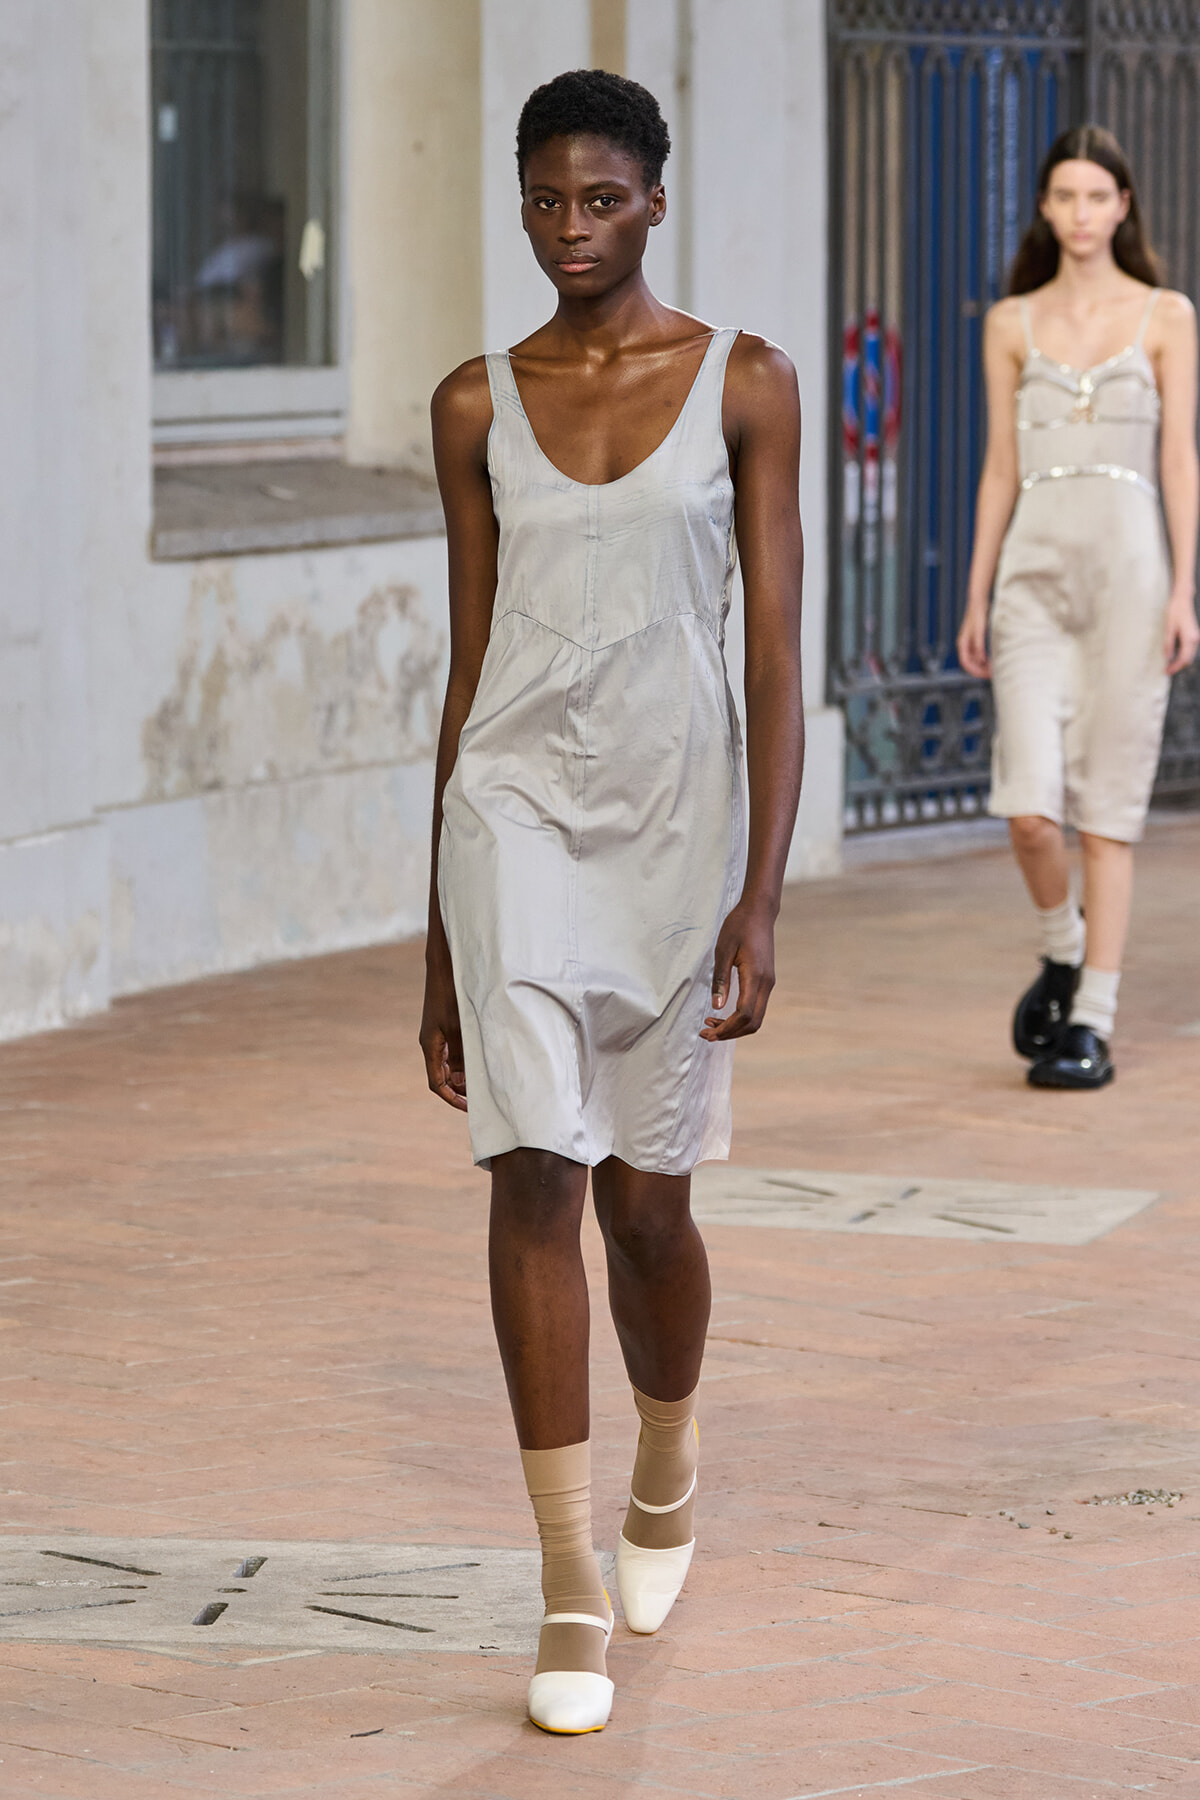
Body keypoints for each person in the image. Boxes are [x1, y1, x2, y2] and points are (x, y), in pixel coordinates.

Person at [419, 69, 804, 1734]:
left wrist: (764, 899)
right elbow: (469, 662)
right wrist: (439, 939)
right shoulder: (470, 403)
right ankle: (569, 1586)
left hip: (672, 827)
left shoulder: (748, 385)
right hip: (511, 815)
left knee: (648, 1209)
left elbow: (775, 659)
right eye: (544, 200)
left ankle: (669, 1453)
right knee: (530, 1178)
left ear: (654, 201)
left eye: (600, 200)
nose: (570, 229)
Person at [959, 124, 1199, 1090]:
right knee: (1029, 807)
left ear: (1123, 206)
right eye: (1065, 197)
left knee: (1105, 813)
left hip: (1134, 575)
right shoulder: (1010, 322)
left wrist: (1187, 587)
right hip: (1033, 577)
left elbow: (1180, 457)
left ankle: (1091, 1021)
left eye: (1097, 197)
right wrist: (974, 593)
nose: (1081, 214)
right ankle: (1062, 943)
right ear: (1047, 209)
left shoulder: (1167, 315)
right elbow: (997, 471)